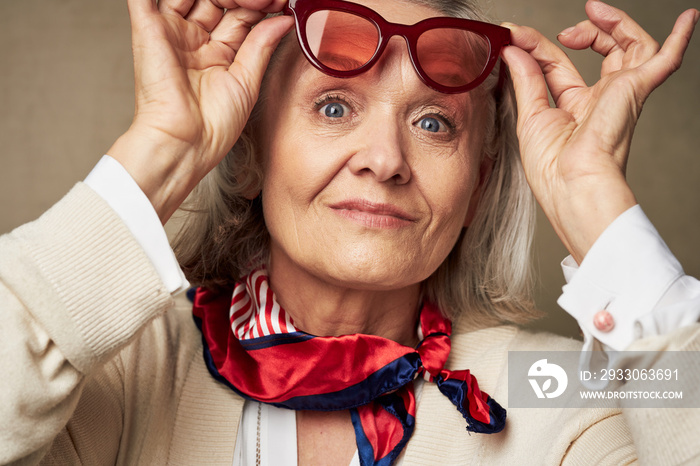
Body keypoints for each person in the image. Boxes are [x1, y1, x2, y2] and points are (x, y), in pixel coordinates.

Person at [1, 0, 699, 464]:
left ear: (478, 186)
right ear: (247, 154)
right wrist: (161, 151)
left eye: (434, 124)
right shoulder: (122, 368)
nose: (386, 159)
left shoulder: (546, 391)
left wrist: (595, 205)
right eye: (334, 106)